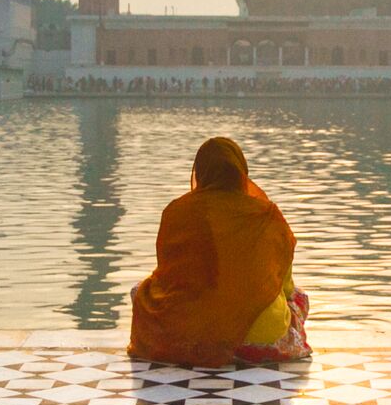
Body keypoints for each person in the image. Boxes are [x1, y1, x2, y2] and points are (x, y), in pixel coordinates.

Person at [128, 136, 310, 367]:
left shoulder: (177, 212)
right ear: (241, 172)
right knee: (299, 297)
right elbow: (286, 288)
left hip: (189, 332)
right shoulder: (266, 216)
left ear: (199, 172)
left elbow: (167, 277)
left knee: (139, 291)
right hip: (260, 336)